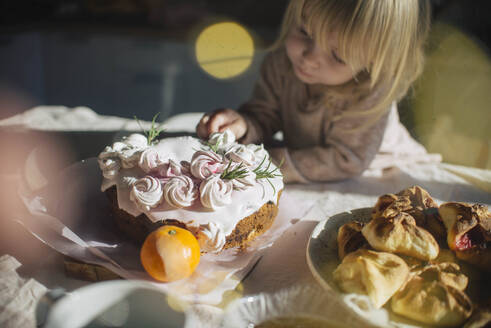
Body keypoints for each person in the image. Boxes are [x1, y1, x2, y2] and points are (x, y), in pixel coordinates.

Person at [196, 0, 431, 183]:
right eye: (305, 33)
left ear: (374, 62)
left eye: (338, 56)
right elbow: (264, 116)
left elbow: (346, 159)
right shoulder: (282, 65)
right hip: (309, 171)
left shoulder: (371, 90)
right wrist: (242, 125)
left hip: (383, 172)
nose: (309, 58)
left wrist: (263, 162)